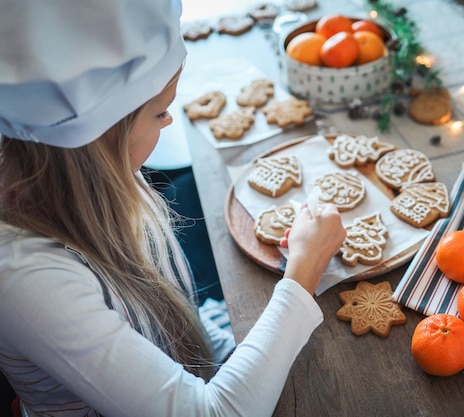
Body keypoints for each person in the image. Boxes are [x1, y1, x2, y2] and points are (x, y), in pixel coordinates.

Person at [0, 1, 347, 416]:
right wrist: (302, 272)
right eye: (160, 111)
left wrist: (235, 350)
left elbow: (174, 325)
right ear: (104, 136)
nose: (167, 123)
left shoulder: (104, 178)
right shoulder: (24, 279)